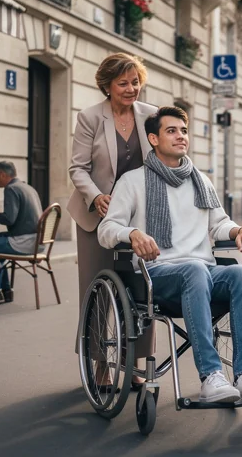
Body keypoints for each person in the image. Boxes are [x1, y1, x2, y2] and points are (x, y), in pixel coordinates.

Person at [98, 107, 242, 403]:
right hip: (157, 276)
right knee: (194, 269)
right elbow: (107, 229)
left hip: (204, 273)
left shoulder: (201, 181)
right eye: (172, 131)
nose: (181, 136)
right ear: (154, 139)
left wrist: (240, 232)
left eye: (184, 130)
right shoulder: (133, 181)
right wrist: (131, 234)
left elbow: (219, 223)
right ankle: (211, 376)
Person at [68, 53, 158, 377]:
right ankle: (101, 362)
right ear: (107, 85)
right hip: (95, 217)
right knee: (97, 291)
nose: (132, 88)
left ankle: (135, 362)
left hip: (138, 216)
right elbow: (77, 168)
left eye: (136, 82)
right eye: (124, 83)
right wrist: (96, 196)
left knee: (141, 288)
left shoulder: (151, 116)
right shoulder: (91, 117)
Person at [0, 161, 44, 305]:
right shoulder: (27, 187)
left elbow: (9, 219)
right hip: (37, 242)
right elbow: (16, 216)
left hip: (23, 242)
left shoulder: (10, 189)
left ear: (2, 174)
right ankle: (5, 291)